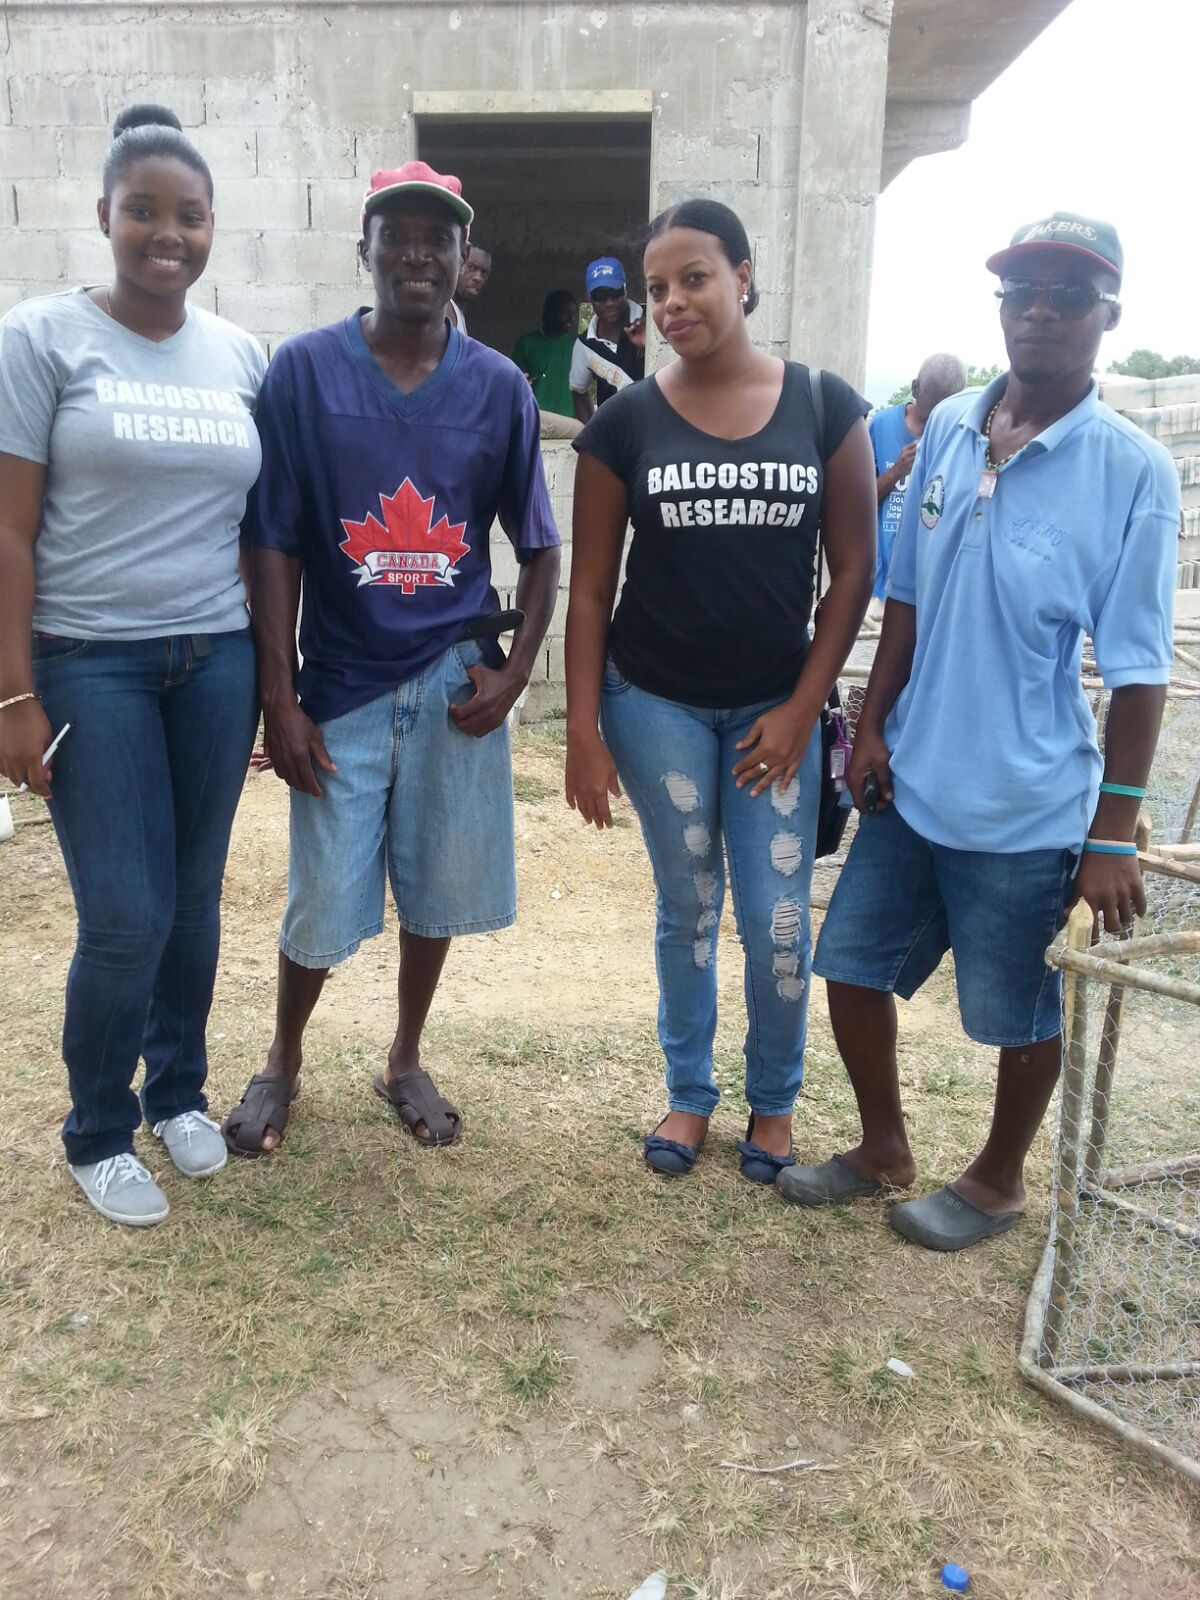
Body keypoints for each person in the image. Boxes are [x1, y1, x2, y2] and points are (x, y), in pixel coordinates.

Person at [784, 212, 1180, 1251]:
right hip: (914, 781)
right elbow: (906, 601)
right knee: (850, 963)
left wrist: (1111, 830)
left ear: (1107, 315)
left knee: (1018, 1011)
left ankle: (998, 1181)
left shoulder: (1133, 473)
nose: (1041, 311)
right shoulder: (954, 426)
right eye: (1022, 292)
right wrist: (871, 729)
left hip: (1027, 805)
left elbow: (1140, 673)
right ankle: (883, 1147)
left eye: (1069, 294)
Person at [221, 161, 560, 1156]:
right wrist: (279, 698)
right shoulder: (304, 372)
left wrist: (516, 669)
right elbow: (273, 541)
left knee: (437, 885)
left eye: (437, 237)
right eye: (397, 234)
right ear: (363, 250)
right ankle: (282, 1057)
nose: (417, 252)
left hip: (455, 680)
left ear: (464, 257)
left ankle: (405, 1055)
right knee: (322, 896)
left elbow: (542, 545)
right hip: (341, 683)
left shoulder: (497, 387)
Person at [564, 199, 876, 1183]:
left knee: (778, 919)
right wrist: (582, 729)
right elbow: (591, 588)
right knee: (688, 903)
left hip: (774, 707)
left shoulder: (823, 405)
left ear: (743, 275)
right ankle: (690, 1094)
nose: (672, 303)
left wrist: (801, 709)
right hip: (653, 701)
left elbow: (854, 572)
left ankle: (773, 1104)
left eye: (694, 278)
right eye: (656, 288)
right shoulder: (625, 422)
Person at [0, 105, 266, 1226]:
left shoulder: (240, 354)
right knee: (124, 913)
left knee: (194, 899)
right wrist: (13, 693)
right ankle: (98, 1127)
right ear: (104, 214)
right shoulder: (38, 339)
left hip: (215, 660)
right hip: (85, 660)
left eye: (190, 215)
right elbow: (9, 530)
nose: (169, 234)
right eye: (144, 211)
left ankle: (178, 1091)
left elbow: (256, 530)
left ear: (211, 227)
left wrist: (272, 676)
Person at [868, 353, 965, 614]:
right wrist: (895, 472)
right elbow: (855, 506)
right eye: (931, 410)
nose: (936, 421)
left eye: (946, 412)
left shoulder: (961, 437)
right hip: (878, 587)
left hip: (930, 588)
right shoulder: (882, 425)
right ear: (915, 389)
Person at [570, 256, 645, 424]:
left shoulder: (650, 323)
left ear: (625, 289)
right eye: (600, 296)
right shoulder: (585, 345)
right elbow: (578, 391)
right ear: (589, 297)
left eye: (615, 293)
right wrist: (593, 432)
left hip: (656, 428)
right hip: (615, 433)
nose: (609, 303)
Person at [514, 289, 584, 441]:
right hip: (537, 421)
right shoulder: (526, 344)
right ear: (549, 312)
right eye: (565, 313)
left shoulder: (578, 343)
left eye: (573, 314)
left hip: (567, 424)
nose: (571, 319)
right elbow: (515, 386)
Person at [448, 239, 492, 335]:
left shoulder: (458, 313)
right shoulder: (444, 310)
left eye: (484, 273)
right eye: (472, 268)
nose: (478, 278)